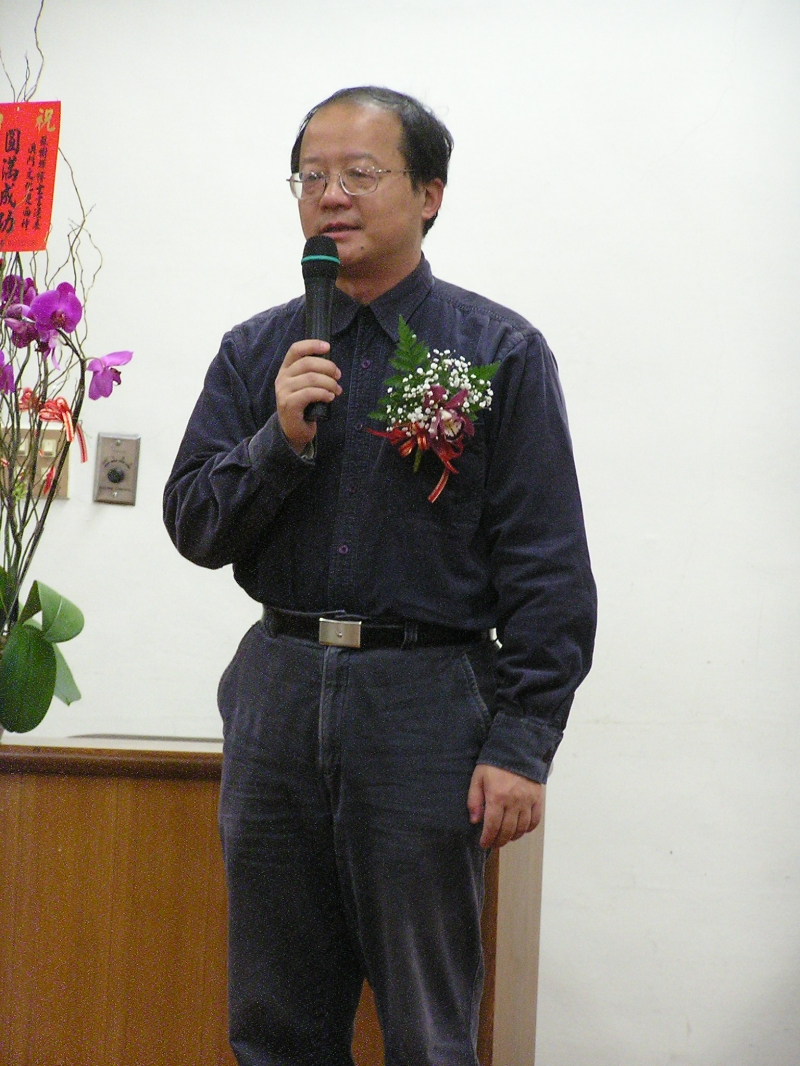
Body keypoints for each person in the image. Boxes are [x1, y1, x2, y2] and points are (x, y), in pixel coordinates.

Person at [163, 86, 596, 1066]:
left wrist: (523, 742)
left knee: (427, 1028)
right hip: (277, 693)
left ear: (429, 193)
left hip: (426, 703)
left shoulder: (493, 351)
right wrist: (274, 441)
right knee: (274, 1024)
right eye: (311, 176)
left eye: (360, 173)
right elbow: (194, 523)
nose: (331, 196)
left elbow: (548, 566)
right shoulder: (258, 351)